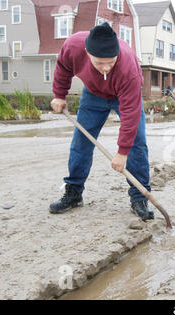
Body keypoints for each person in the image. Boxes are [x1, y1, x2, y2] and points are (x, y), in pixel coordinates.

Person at [49, 22, 154, 220]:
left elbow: (131, 115)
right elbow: (63, 67)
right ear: (87, 54)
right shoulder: (73, 46)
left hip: (123, 94)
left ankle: (139, 197)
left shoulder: (128, 68)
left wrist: (122, 152)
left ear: (117, 55)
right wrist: (59, 95)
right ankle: (73, 193)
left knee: (136, 144)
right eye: (99, 63)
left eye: (111, 62)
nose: (106, 68)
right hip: (93, 94)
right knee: (81, 143)